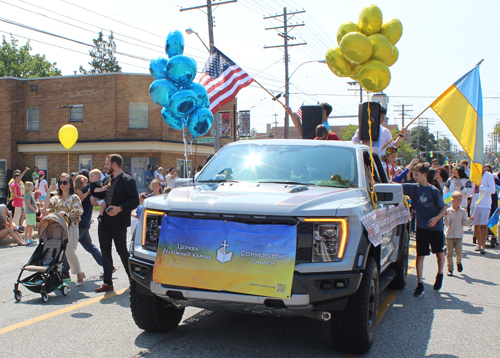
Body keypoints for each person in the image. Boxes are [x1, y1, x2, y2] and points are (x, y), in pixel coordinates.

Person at [94, 154, 139, 293]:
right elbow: (103, 195)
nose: (105, 165)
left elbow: (134, 201)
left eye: (107, 163)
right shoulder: (107, 179)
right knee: (105, 251)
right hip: (104, 222)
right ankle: (107, 283)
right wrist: (94, 198)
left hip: (119, 222)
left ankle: (133, 279)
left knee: (122, 251)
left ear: (114, 164)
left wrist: (119, 208)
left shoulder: (127, 181)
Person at [402, 163, 447, 297]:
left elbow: (443, 208)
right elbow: (396, 184)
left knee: (439, 253)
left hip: (436, 226)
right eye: (414, 174)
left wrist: (436, 218)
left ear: (424, 175)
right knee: (420, 256)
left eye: (417, 175)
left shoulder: (434, 190)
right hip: (422, 227)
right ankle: (420, 284)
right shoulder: (413, 188)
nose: (414, 177)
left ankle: (440, 274)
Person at [61, 174, 106, 281]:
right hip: (82, 224)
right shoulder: (80, 191)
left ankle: (64, 271)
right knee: (89, 246)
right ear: (80, 182)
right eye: (85, 181)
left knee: (69, 248)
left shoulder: (84, 191)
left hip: (80, 224)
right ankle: (107, 266)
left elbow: (81, 197)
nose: (87, 183)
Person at [45, 173, 85, 286]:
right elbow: (47, 209)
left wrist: (65, 214)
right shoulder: (55, 198)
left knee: (70, 250)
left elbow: (78, 212)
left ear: (69, 184)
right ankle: (58, 277)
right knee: (58, 252)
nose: (62, 184)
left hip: (71, 227)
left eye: (65, 182)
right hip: (57, 227)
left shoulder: (74, 197)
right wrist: (48, 192)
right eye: (60, 182)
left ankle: (78, 273)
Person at [444, 191, 474, 276]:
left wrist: (470, 219)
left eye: (461, 200)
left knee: (459, 252)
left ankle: (458, 262)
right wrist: (445, 217)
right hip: (449, 235)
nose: (460, 201)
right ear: (452, 200)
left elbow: (465, 223)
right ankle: (450, 269)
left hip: (458, 235)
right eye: (458, 200)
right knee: (449, 253)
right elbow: (447, 223)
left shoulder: (463, 211)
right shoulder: (448, 211)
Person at [470, 166, 496, 254]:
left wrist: (481, 187)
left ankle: (483, 246)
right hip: (475, 203)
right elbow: (471, 190)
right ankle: (479, 244)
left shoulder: (489, 176)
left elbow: (493, 190)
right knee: (476, 225)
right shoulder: (473, 175)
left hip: (485, 204)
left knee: (484, 225)